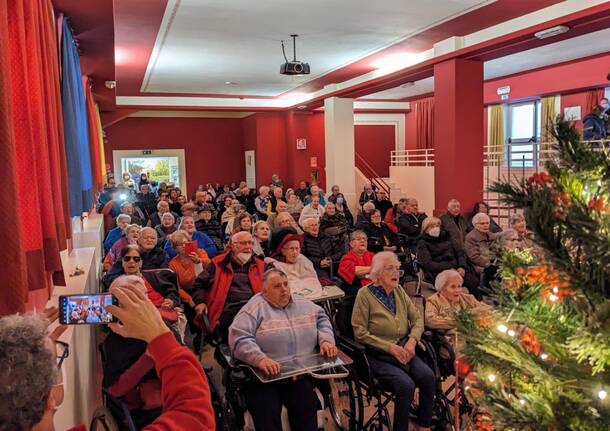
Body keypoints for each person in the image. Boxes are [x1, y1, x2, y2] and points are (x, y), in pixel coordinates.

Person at [228, 269, 337, 431]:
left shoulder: (302, 303)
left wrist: (326, 340)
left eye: (286, 284)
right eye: (277, 286)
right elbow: (238, 338)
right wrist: (260, 359)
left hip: (296, 374)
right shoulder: (253, 309)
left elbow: (322, 319)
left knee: (307, 405)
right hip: (262, 378)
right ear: (264, 291)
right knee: (267, 411)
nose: (284, 289)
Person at [351, 251, 434, 431]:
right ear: (378, 273)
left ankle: (424, 426)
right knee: (406, 385)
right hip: (378, 354)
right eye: (390, 269)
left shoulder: (399, 291)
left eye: (398, 269)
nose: (396, 273)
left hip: (405, 348)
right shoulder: (364, 295)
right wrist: (389, 348)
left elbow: (417, 319)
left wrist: (412, 340)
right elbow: (359, 333)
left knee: (428, 377)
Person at [191, 231, 265, 342]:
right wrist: (200, 302)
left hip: (256, 309)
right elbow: (199, 284)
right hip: (228, 310)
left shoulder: (261, 266)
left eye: (250, 243)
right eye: (244, 243)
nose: (248, 247)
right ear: (233, 245)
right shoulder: (217, 264)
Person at [425, 269, 493, 344]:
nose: (458, 290)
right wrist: (462, 319)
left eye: (459, 286)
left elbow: (487, 309)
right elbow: (431, 321)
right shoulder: (433, 301)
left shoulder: (467, 298)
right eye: (453, 287)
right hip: (453, 340)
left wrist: (473, 314)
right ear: (442, 289)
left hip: (474, 335)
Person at [417, 217, 479, 292]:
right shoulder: (423, 243)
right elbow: (428, 264)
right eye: (432, 226)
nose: (436, 228)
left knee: (473, 281)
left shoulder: (447, 237)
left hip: (456, 268)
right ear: (425, 229)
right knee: (453, 285)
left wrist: (461, 266)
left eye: (437, 226)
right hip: (438, 272)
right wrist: (449, 268)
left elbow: (460, 252)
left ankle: (475, 302)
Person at [265, 228, 322, 297]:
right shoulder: (275, 265)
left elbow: (312, 278)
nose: (295, 252)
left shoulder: (303, 259)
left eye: (297, 248)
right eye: (291, 248)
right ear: (283, 251)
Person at [169, 230, 210, 309]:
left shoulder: (200, 252)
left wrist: (199, 260)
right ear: (175, 248)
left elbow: (210, 265)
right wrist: (189, 300)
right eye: (180, 244)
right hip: (188, 293)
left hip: (205, 288)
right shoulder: (173, 264)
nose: (184, 246)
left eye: (186, 242)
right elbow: (178, 288)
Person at [337, 230, 374, 295]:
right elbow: (355, 271)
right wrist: (374, 269)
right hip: (355, 287)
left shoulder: (372, 255)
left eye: (364, 239)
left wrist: (365, 274)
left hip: (374, 284)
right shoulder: (346, 257)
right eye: (358, 239)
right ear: (351, 243)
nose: (362, 241)